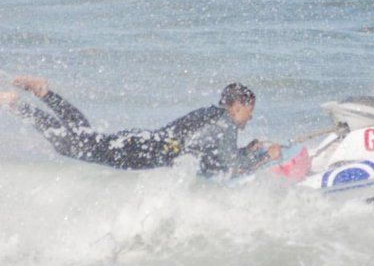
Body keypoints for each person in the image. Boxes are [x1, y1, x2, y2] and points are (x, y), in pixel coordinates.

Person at [0, 76, 281, 176]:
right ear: (238, 106)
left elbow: (209, 155)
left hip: (142, 142)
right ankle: (18, 104)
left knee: (85, 139)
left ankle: (44, 93)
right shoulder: (225, 123)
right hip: (143, 151)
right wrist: (263, 157)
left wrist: (247, 148)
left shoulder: (211, 114)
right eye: (249, 111)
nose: (250, 118)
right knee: (73, 146)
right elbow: (229, 168)